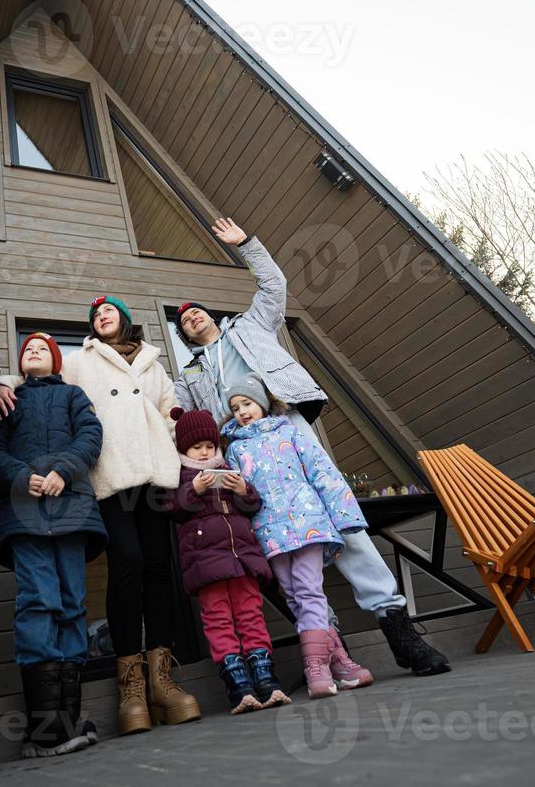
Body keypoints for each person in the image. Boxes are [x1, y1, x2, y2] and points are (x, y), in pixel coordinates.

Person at [174, 217, 451, 678]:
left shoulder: (250, 327)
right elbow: (172, 416)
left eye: (196, 310)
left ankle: (399, 629)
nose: (191, 316)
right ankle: (329, 652)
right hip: (242, 452)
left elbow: (273, 284)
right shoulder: (191, 376)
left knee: (338, 512)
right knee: (277, 543)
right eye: (184, 320)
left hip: (285, 426)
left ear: (211, 315)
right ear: (184, 336)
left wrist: (247, 244)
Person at [0, 295, 201, 735]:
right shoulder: (78, 360)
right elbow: (41, 380)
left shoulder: (153, 360)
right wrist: (2, 384)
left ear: (125, 319)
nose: (102, 316)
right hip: (111, 472)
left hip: (153, 470)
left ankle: (162, 682)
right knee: (127, 563)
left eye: (109, 311)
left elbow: (169, 409)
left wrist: (172, 436)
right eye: (95, 314)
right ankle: (131, 689)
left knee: (160, 569)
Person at [0, 333, 106, 757]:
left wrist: (64, 471)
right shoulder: (8, 401)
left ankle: (68, 720)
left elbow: (90, 436)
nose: (33, 352)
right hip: (24, 516)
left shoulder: (74, 395)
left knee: (72, 604)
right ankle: (45, 728)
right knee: (38, 601)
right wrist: (21, 477)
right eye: (27, 349)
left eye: (42, 349)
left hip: (73, 511)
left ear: (54, 361)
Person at [221, 374, 368, 699]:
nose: (242, 411)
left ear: (261, 403)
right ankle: (341, 663)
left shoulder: (290, 433)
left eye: (246, 403)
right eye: (235, 408)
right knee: (294, 597)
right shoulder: (235, 450)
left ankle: (315, 666)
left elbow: (322, 472)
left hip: (306, 525)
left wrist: (344, 518)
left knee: (310, 592)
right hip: (269, 534)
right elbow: (244, 499)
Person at [163, 406, 289, 714]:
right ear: (184, 449)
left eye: (209, 446)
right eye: (197, 447)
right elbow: (172, 508)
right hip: (208, 565)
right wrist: (194, 489)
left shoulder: (230, 468)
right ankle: (238, 686)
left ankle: (266, 680)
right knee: (218, 620)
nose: (205, 453)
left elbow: (254, 504)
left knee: (251, 617)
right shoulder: (180, 476)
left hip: (243, 560)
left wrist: (243, 489)